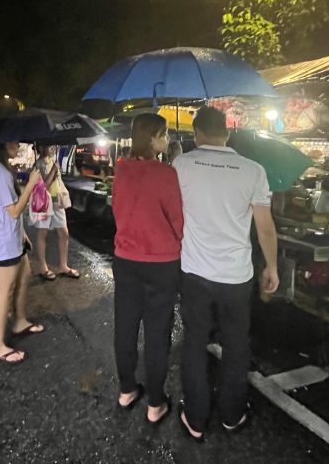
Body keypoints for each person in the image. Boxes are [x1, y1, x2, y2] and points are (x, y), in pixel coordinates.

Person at [172, 107, 280, 442]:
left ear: (196, 133)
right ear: (228, 133)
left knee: (194, 342)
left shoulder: (182, 164)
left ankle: (195, 418)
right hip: (236, 275)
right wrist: (272, 266)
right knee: (235, 344)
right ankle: (233, 415)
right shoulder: (253, 170)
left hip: (194, 272)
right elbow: (265, 228)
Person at [111, 114, 183, 425]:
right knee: (157, 332)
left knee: (125, 326)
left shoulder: (121, 170)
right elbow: (178, 220)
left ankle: (127, 389)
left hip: (126, 259)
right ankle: (155, 401)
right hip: (162, 263)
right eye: (164, 135)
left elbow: (117, 210)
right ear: (153, 138)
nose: (166, 141)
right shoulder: (167, 173)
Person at [0, 143, 45, 364]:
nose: (17, 146)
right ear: (0, 145)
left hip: (13, 237)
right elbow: (14, 210)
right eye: (12, 142)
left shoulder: (3, 169)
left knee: (25, 275)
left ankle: (19, 321)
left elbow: (8, 211)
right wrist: (31, 184)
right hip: (4, 241)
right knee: (4, 291)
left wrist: (23, 233)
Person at [30, 144, 79, 281]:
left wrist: (56, 171)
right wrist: (53, 171)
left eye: (53, 146)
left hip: (57, 203)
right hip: (43, 203)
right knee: (42, 233)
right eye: (48, 145)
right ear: (40, 147)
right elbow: (42, 187)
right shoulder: (37, 164)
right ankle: (43, 267)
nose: (51, 148)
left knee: (64, 233)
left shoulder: (53, 161)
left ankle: (63, 266)